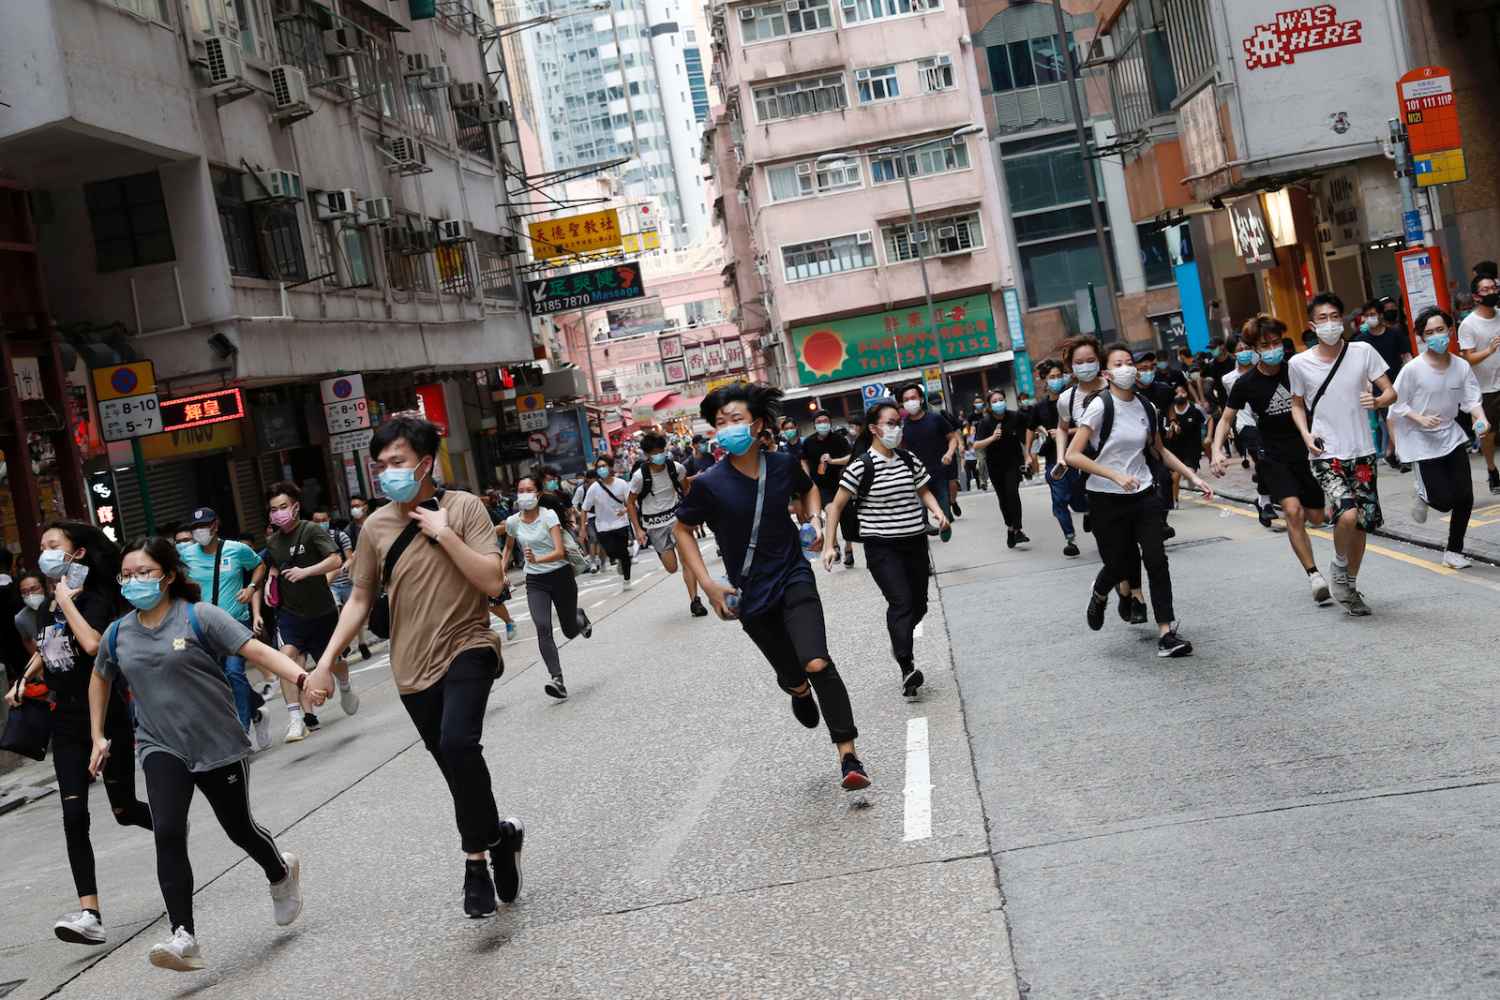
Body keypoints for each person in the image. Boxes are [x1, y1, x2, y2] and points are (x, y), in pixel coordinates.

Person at [311, 417, 525, 918]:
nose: (387, 473)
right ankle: (499, 838)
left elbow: (493, 581)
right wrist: (324, 664)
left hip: (470, 644)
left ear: (426, 463)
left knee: (458, 742)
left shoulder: (464, 508)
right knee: (456, 770)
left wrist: (445, 534)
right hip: (410, 667)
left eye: (398, 462)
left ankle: (475, 864)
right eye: (381, 465)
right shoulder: (375, 527)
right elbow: (360, 599)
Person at [91, 537, 315, 971]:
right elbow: (100, 677)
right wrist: (98, 734)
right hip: (160, 744)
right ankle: (183, 936)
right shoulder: (119, 632)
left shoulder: (198, 616)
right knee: (168, 830)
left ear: (168, 576)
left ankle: (280, 871)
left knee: (240, 829)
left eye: (144, 573)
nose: (135, 581)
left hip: (216, 742)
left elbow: (257, 651)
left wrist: (303, 677)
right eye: (128, 575)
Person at [673, 381, 870, 791]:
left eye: (736, 419)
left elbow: (809, 490)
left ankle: (849, 757)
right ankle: (797, 691)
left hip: (793, 575)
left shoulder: (782, 465)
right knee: (794, 675)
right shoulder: (709, 483)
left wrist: (813, 521)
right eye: (720, 422)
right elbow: (682, 529)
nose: (727, 427)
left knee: (817, 661)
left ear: (756, 423)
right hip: (751, 594)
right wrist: (708, 584)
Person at [4, 522, 153, 946]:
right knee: (74, 817)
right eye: (43, 546)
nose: (45, 553)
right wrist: (24, 679)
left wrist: (66, 602)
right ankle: (90, 915)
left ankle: (170, 831)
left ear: (78, 555)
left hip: (107, 716)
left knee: (123, 811)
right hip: (66, 721)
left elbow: (91, 645)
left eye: (54, 546)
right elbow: (52, 647)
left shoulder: (99, 599)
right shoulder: (46, 606)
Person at [1066, 345, 1214, 657]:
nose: (1127, 369)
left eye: (1129, 363)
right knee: (1119, 564)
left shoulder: (1145, 406)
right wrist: (1114, 475)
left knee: (1157, 558)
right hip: (1106, 497)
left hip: (1143, 493)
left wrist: (1194, 477)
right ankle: (1100, 591)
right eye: (1118, 364)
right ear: (1106, 374)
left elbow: (1159, 450)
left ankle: (1166, 633)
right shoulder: (1100, 407)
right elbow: (1072, 455)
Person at [820, 402, 948, 697]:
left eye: (898, 422)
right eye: (890, 423)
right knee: (901, 603)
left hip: (915, 542)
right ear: (874, 429)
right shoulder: (861, 465)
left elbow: (923, 489)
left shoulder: (908, 459)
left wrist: (938, 512)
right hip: (881, 547)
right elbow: (836, 506)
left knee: (919, 605)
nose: (897, 428)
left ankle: (898, 636)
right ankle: (906, 664)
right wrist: (829, 546)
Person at [1289, 291, 1396, 616]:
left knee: (1361, 524)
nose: (1330, 323)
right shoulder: (1299, 363)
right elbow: (1296, 405)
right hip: (1326, 452)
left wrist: (1377, 401)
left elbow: (1390, 391)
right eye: (1323, 318)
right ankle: (1338, 565)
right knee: (1347, 514)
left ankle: (1350, 586)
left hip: (1362, 451)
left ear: (1345, 320)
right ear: (1312, 325)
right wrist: (1306, 434)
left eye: (1335, 317)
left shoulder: (1363, 352)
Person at [1212, 315, 1332, 603]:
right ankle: (1314, 575)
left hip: (1305, 450)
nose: (1273, 348)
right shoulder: (1245, 383)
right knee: (1293, 511)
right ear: (1254, 348)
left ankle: (1306, 509)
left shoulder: (1297, 369)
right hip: (1273, 454)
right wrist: (1216, 449)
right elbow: (1226, 418)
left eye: (1277, 342)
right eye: (1265, 344)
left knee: (1316, 517)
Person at [1393, 308, 1490, 568]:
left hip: (1450, 436)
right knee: (1444, 502)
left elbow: (1471, 400)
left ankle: (1453, 551)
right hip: (1420, 442)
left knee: (1465, 497)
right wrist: (1420, 418)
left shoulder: (1461, 366)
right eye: (1429, 332)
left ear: (1450, 330)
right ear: (1421, 338)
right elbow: (1395, 406)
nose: (1437, 336)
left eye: (1440, 330)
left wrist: (1481, 418)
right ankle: (1423, 492)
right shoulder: (1413, 370)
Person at [264, 482, 358, 742]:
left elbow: (335, 560)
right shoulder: (273, 541)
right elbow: (273, 566)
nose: (278, 513)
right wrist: (268, 585)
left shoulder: (311, 530)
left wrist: (306, 572)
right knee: (286, 657)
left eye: (283, 507)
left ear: (295, 506)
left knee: (335, 663)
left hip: (321, 610)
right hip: (290, 612)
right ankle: (296, 719)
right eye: (273, 509)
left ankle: (345, 686)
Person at [176, 507, 272, 750]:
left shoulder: (236, 549)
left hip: (234, 622)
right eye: (195, 527)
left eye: (204, 526)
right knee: (218, 679)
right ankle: (258, 713)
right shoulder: (186, 554)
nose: (199, 531)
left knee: (234, 672)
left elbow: (259, 564)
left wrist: (251, 587)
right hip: (203, 627)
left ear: (215, 526)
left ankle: (242, 731)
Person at [503, 475, 592, 699]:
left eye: (529, 490)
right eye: (520, 491)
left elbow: (560, 551)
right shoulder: (513, 521)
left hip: (560, 576)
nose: (524, 495)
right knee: (542, 627)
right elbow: (508, 548)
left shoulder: (549, 515)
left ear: (538, 494)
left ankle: (580, 618)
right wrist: (501, 570)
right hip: (535, 582)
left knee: (570, 630)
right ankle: (557, 680)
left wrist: (537, 559)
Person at [627, 432, 705, 616]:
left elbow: (686, 489)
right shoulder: (639, 477)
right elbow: (630, 503)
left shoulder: (675, 468)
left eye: (661, 450)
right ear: (647, 454)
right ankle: (662, 553)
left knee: (687, 560)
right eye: (655, 452)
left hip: (676, 519)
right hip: (654, 525)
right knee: (672, 567)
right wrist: (638, 529)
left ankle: (695, 601)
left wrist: (691, 516)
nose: (659, 455)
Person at [1033, 360, 1084, 557]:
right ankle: (1070, 538)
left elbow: (1085, 426)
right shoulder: (1040, 407)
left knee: (1078, 498)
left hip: (1076, 457)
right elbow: (1031, 428)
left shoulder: (1075, 399)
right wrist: (1030, 455)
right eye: (1051, 377)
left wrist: (1063, 432)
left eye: (1058, 376)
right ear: (1044, 381)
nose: (1055, 380)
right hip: (1054, 460)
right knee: (1059, 499)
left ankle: (1086, 510)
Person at [1356, 297, 1413, 472]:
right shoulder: (1360, 341)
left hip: (1398, 382)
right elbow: (1358, 367)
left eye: (1372, 314)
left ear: (1380, 315)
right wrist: (1365, 383)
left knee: (1401, 419)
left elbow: (1406, 355)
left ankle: (1389, 453)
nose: (1369, 318)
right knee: (1391, 420)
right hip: (1379, 388)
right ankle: (1405, 457)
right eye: (1366, 315)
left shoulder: (1395, 334)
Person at [311, 507, 377, 657]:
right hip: (330, 584)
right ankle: (343, 644)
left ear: (329, 520)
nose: (321, 524)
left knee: (354, 613)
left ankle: (362, 643)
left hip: (347, 580)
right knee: (336, 612)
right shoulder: (312, 542)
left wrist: (342, 568)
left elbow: (350, 558)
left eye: (323, 520)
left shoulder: (341, 536)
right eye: (317, 521)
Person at [1457, 272, 1500, 494]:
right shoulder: (1469, 324)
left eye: (1494, 287)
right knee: (1487, 434)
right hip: (1485, 388)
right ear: (1476, 296)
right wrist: (1490, 350)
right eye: (1486, 290)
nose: (1492, 292)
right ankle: (1492, 470)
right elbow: (1469, 358)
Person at [972, 388, 1032, 548]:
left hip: (1013, 461)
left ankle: (1018, 530)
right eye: (994, 401)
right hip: (995, 465)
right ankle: (1010, 529)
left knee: (1012, 492)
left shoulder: (1015, 416)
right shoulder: (986, 423)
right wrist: (992, 438)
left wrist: (1030, 449)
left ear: (1005, 400)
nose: (999, 403)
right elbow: (976, 445)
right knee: (1003, 497)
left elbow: (1031, 423)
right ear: (989, 405)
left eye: (1001, 400)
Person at [896, 383, 961, 530]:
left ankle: (945, 526)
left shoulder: (936, 418)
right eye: (906, 399)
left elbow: (952, 438)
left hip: (939, 471)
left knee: (944, 511)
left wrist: (950, 453)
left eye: (913, 398)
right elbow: (897, 446)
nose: (910, 402)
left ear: (920, 399)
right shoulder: (902, 425)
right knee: (920, 509)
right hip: (917, 474)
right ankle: (923, 525)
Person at [801, 409, 857, 568]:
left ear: (831, 422)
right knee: (832, 510)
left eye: (825, 421)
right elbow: (804, 460)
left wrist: (833, 461)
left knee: (847, 517)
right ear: (813, 425)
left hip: (841, 483)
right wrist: (807, 478)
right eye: (819, 422)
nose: (822, 425)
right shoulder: (809, 442)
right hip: (821, 486)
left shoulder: (839, 439)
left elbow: (850, 457)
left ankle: (849, 549)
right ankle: (835, 546)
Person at [580, 456, 634, 590]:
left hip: (621, 523)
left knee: (623, 551)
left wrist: (626, 510)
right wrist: (583, 528)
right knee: (611, 552)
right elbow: (584, 509)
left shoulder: (621, 484)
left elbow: (631, 503)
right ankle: (620, 559)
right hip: (603, 525)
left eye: (604, 466)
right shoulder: (594, 488)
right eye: (599, 467)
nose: (601, 469)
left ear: (610, 467)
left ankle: (627, 579)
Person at [1160, 383, 1208, 509]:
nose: (1180, 395)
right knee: (1175, 476)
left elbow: (1209, 419)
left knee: (1189, 473)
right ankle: (1174, 500)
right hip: (1175, 449)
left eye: (1183, 392)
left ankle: (1190, 478)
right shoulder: (1169, 412)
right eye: (1177, 392)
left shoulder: (1195, 409)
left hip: (1192, 448)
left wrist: (1209, 437)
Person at [14, 570, 48, 660]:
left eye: (35, 589)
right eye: (24, 592)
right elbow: (26, 639)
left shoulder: (60, 605)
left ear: (45, 588)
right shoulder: (21, 619)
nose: (30, 595)